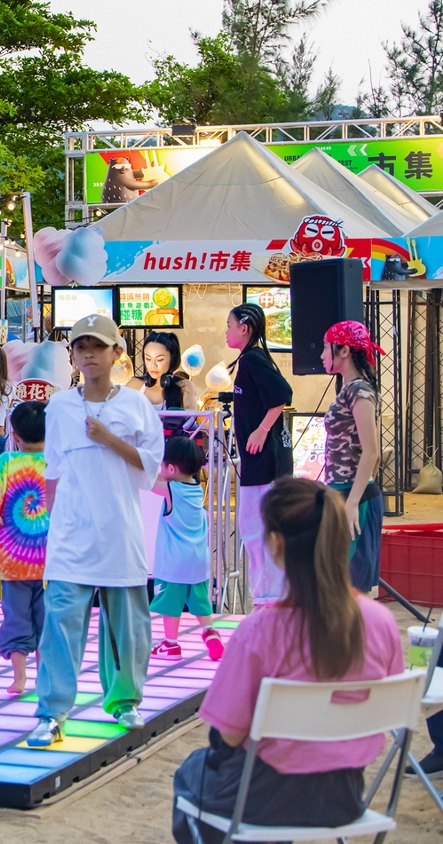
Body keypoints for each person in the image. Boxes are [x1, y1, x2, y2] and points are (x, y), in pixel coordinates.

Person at [171, 478, 405, 844]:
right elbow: (388, 708)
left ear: (277, 543)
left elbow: (228, 734)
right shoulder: (380, 622)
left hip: (265, 793)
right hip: (344, 796)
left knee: (190, 774)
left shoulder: (259, 632)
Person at [28, 314, 164, 747]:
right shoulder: (60, 406)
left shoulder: (136, 405)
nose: (88, 354)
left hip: (120, 531)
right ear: (72, 354)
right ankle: (52, 712)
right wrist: (50, 526)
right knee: (60, 624)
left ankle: (125, 701)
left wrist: (109, 439)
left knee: (128, 626)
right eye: (81, 346)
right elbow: (52, 469)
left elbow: (151, 465)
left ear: (116, 352)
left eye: (98, 346)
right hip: (71, 533)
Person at [0, 400, 49, 695]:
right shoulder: (56, 463)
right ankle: (44, 677)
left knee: (16, 618)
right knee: (47, 621)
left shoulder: (7, 462)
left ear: (14, 435)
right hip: (49, 558)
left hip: (12, 558)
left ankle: (19, 678)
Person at [227, 303, 293, 605]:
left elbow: (281, 394)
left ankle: (269, 596)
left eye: (229, 326)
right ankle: (269, 595)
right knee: (255, 529)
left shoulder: (253, 358)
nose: (227, 332)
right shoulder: (250, 359)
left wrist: (262, 429)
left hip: (265, 463)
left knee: (257, 530)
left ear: (244, 328)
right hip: (260, 462)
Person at [321, 321, 385, 594]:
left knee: (353, 589)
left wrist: (354, 500)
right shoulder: (350, 389)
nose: (322, 355)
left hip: (353, 496)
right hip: (343, 492)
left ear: (344, 351)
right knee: (338, 585)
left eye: (326, 348)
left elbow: (372, 451)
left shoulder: (359, 390)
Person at [149, 436, 224, 662]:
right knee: (200, 603)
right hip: (199, 562)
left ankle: (170, 644)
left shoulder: (172, 490)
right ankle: (210, 632)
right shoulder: (196, 489)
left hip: (174, 564)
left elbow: (147, 481)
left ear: (171, 468)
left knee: (171, 605)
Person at [127, 331, 196, 410]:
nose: (153, 365)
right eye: (148, 358)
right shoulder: (133, 385)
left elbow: (191, 414)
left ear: (172, 359)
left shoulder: (184, 387)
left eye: (159, 359)